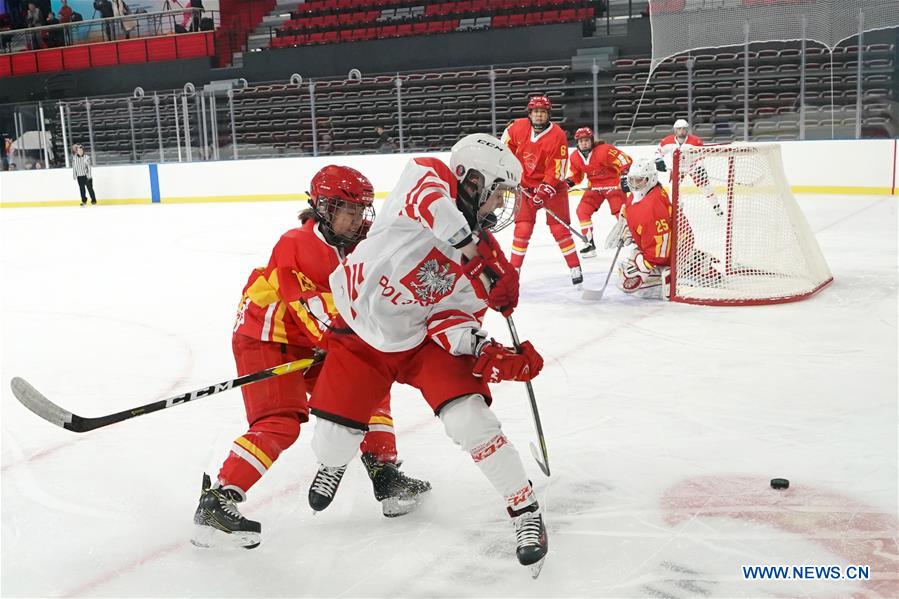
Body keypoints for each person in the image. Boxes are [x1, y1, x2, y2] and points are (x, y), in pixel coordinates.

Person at [304, 133, 549, 574]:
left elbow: (450, 322)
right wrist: (475, 256)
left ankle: (526, 511)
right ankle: (333, 463)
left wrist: (489, 351)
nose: (498, 208)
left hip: (417, 340)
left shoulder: (485, 259)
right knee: (333, 441)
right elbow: (435, 209)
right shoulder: (427, 175)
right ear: (471, 180)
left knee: (470, 418)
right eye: (496, 194)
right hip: (359, 328)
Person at [192, 165, 432, 550]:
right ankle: (217, 502)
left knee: (369, 385)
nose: (357, 219)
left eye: (361, 210)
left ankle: (385, 475)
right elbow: (316, 319)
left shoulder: (359, 241)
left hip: (315, 337)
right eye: (348, 210)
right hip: (266, 337)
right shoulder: (296, 245)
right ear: (323, 207)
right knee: (280, 422)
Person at [501, 95, 583, 286]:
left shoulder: (558, 135)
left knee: (560, 229)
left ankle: (574, 267)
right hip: (525, 187)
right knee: (522, 229)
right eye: (535, 111)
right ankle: (514, 270)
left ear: (548, 114)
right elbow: (504, 149)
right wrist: (511, 174)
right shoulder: (516, 127)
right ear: (530, 114)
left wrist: (543, 192)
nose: (539, 115)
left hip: (552, 188)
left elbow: (557, 168)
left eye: (542, 112)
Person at [565, 127, 632, 258]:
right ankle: (589, 243)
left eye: (586, 140)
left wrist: (624, 176)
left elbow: (625, 160)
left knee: (620, 211)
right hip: (594, 188)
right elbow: (576, 176)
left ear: (591, 141)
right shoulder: (575, 157)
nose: (584, 143)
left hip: (613, 186)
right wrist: (567, 183)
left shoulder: (605, 150)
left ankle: (632, 236)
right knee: (582, 210)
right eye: (581, 141)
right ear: (577, 143)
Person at [655, 119, 722, 216]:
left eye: (684, 129)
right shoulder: (667, 141)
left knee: (706, 188)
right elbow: (658, 152)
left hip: (693, 168)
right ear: (675, 130)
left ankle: (716, 207)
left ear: (687, 130)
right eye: (679, 129)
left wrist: (700, 168)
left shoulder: (696, 141)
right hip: (677, 169)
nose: (681, 131)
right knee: (673, 189)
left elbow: (701, 156)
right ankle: (679, 208)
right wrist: (658, 160)